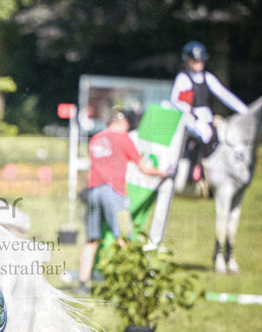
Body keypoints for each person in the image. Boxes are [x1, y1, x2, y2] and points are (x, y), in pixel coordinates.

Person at [77, 110, 169, 293]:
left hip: (93, 191)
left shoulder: (95, 139)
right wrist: (165, 173)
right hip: (114, 192)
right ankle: (126, 283)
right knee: (125, 237)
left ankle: (82, 285)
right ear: (124, 123)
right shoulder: (124, 139)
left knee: (91, 240)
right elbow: (144, 167)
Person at [171, 41, 247, 155]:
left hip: (206, 116)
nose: (198, 63)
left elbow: (224, 95)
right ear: (187, 61)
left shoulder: (208, 77)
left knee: (223, 133)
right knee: (204, 133)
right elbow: (176, 100)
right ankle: (197, 164)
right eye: (195, 60)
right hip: (190, 118)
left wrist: (244, 110)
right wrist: (190, 112)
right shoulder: (183, 78)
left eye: (200, 60)